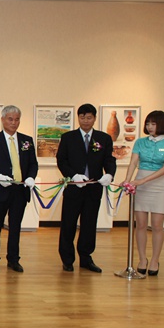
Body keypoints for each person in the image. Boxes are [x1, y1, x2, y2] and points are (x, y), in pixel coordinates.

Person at [56, 104, 116, 273]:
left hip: (93, 189)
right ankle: (67, 259)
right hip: (74, 188)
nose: (85, 121)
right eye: (82, 117)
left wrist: (109, 174)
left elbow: (109, 160)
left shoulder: (104, 138)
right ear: (78, 118)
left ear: (94, 118)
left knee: (89, 224)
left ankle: (86, 257)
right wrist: (73, 175)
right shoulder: (68, 137)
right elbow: (61, 160)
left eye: (89, 117)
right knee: (68, 224)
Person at [0, 105, 38, 273]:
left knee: (15, 226)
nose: (14, 122)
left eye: (17, 119)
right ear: (3, 120)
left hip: (20, 190)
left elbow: (33, 164)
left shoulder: (27, 140)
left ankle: (13, 259)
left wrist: (30, 177)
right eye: (10, 119)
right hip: (0, 190)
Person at [123, 110, 164, 277]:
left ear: (161, 124)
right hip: (140, 184)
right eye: (148, 124)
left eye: (153, 124)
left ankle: (155, 260)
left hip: (159, 185)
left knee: (157, 225)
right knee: (140, 224)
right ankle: (142, 259)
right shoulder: (140, 142)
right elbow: (133, 162)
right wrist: (128, 180)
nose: (150, 127)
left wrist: (143, 181)